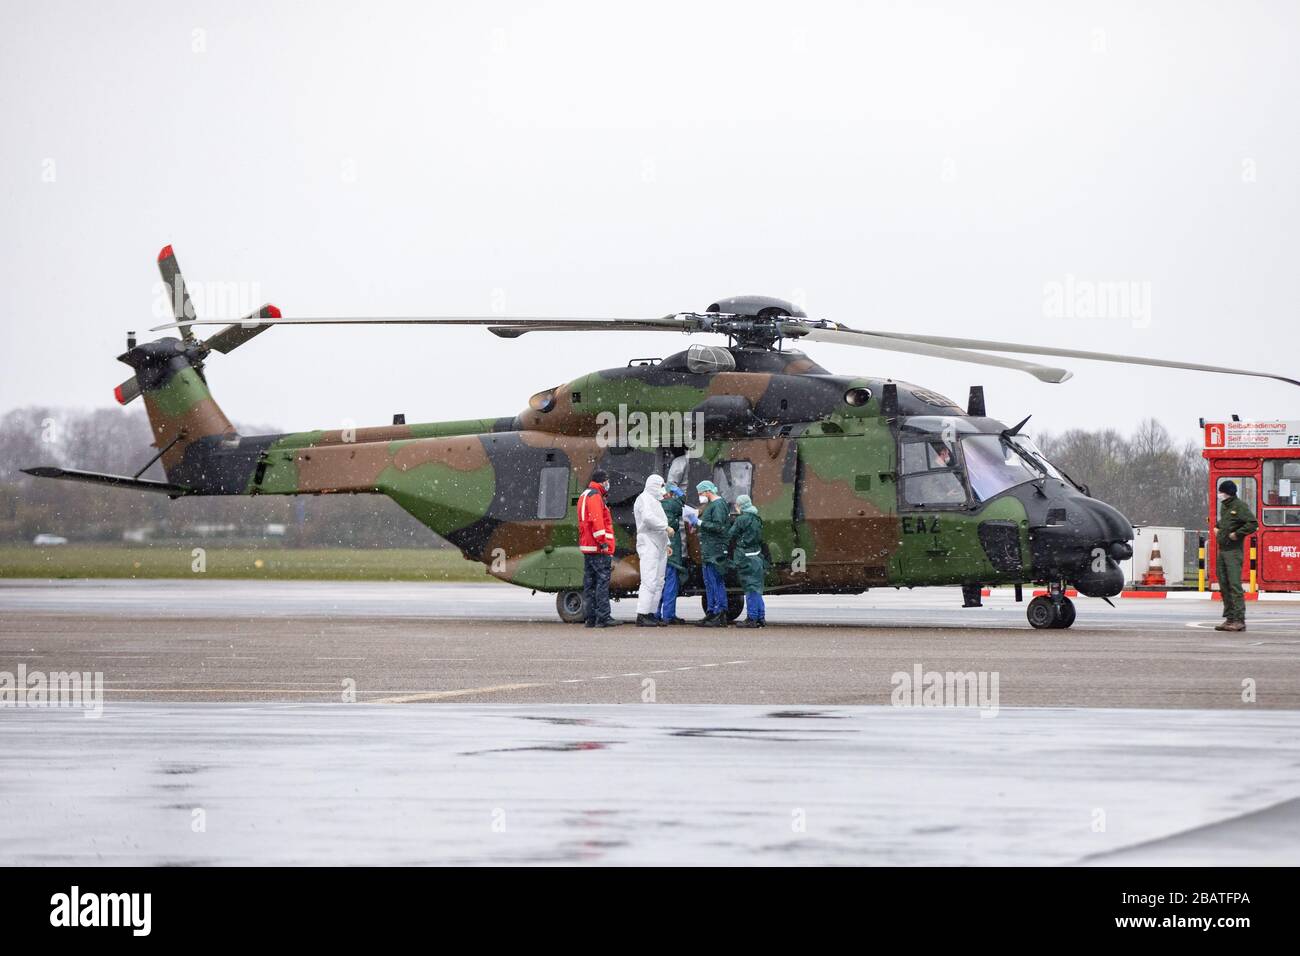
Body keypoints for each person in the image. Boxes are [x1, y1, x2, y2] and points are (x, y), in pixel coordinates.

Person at [1213, 479, 1258, 632]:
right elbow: (1225, 522)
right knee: (1224, 584)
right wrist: (1217, 527)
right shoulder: (1225, 507)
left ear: (1227, 493)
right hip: (1223, 550)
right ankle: (1230, 618)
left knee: (1234, 585)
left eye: (1221, 492)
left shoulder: (1239, 506)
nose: (1219, 495)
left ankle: (1239, 619)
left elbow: (1252, 523)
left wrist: (1236, 535)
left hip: (1233, 552)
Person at [578, 469, 619, 627]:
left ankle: (590, 617)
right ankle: (603, 617)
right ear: (602, 481)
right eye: (607, 480)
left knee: (590, 583)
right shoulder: (595, 496)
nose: (608, 483)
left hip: (587, 546)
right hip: (598, 547)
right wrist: (603, 542)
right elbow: (597, 521)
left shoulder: (584, 495)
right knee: (602, 582)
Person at [633, 474, 672, 627]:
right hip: (648, 542)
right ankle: (642, 614)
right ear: (653, 485)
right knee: (649, 580)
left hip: (660, 544)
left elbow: (659, 520)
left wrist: (667, 543)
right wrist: (666, 528)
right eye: (661, 485)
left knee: (658, 581)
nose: (663, 489)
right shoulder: (644, 499)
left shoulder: (654, 501)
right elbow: (648, 519)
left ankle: (651, 613)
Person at [695, 480, 731, 627]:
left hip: (715, 550)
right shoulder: (711, 505)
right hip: (709, 550)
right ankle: (711, 612)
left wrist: (700, 523)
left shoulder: (718, 505)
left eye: (700, 493)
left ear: (708, 491)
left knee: (716, 581)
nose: (700, 496)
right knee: (709, 582)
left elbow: (719, 526)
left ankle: (720, 612)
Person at [728, 494, 767, 628]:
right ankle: (761, 617)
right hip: (757, 556)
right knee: (757, 588)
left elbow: (730, 534)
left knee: (750, 588)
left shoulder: (742, 519)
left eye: (737, 505)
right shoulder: (757, 518)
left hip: (745, 557)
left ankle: (751, 618)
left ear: (741, 506)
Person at [658, 483, 689, 624]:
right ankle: (668, 615)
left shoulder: (655, 504)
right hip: (672, 548)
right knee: (671, 581)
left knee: (658, 582)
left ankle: (655, 612)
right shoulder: (671, 504)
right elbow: (683, 499)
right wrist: (678, 491)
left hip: (657, 547)